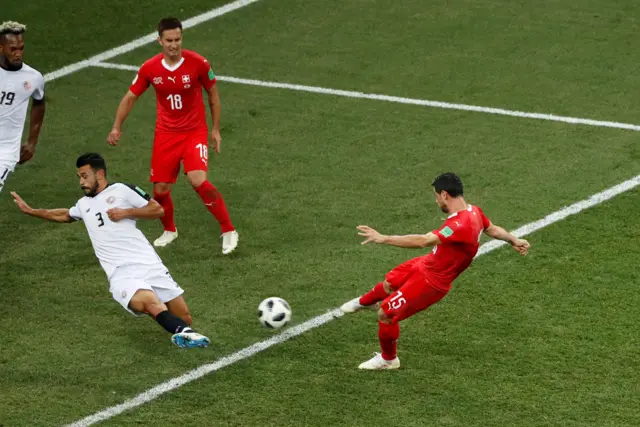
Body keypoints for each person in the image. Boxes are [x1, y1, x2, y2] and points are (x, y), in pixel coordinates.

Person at [11, 153, 210, 348]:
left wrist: (127, 212)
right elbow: (64, 215)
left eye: (85, 176)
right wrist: (31, 211)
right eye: (79, 177)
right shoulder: (83, 205)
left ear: (100, 174)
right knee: (149, 304)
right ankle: (184, 334)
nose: (81, 182)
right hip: (121, 273)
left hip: (149, 264)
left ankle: (182, 328)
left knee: (184, 317)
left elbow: (157, 210)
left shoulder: (122, 190)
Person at [340, 172, 530, 370]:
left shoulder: (458, 225)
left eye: (436, 196)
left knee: (386, 314)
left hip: (432, 282)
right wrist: (514, 240)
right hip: (428, 263)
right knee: (390, 283)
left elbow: (424, 241)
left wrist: (384, 238)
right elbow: (492, 229)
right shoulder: (474, 212)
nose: (436, 200)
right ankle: (363, 303)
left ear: (445, 194)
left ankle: (388, 360)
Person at [107, 16, 238, 254]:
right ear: (160, 41)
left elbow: (213, 96)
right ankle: (169, 230)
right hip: (166, 134)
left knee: (198, 180)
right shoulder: (149, 68)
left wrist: (215, 129)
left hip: (194, 132)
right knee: (161, 191)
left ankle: (228, 229)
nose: (174, 45)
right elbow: (130, 97)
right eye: (169, 40)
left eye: (178, 39)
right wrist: (117, 126)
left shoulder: (198, 63)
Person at [0, 21, 46, 195]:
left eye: (21, 48)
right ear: (1, 48)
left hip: (5, 153)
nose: (18, 53)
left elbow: (39, 104)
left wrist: (31, 142)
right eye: (13, 49)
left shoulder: (33, 77)